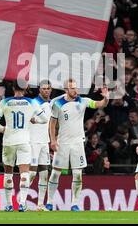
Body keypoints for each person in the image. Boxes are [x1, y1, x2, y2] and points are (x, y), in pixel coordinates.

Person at [46, 79, 109, 212]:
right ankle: (49, 202)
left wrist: (106, 98)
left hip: (78, 143)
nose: (76, 91)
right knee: (56, 173)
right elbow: (52, 124)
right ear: (66, 90)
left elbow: (99, 104)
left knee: (78, 174)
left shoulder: (83, 101)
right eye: (72, 88)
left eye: (76, 88)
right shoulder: (58, 104)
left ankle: (75, 204)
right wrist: (53, 140)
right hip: (62, 143)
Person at [0, 81, 48, 212]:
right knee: (24, 173)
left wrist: (2, 129)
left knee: (8, 173)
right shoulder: (31, 102)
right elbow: (45, 119)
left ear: (13, 88)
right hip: (24, 141)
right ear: (25, 89)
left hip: (8, 141)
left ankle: (8, 204)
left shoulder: (5, 102)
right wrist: (34, 120)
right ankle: (22, 203)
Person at [28, 80, 53, 211]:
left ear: (51, 90)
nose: (46, 90)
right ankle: (22, 200)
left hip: (45, 142)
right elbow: (27, 119)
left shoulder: (52, 104)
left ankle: (40, 205)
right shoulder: (33, 103)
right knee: (31, 174)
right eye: (44, 88)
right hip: (33, 142)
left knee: (44, 174)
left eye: (48, 88)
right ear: (39, 90)